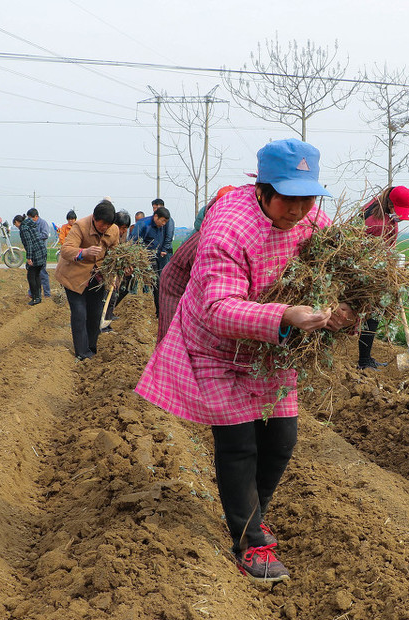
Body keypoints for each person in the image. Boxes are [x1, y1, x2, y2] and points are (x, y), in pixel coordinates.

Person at [136, 138, 356, 583]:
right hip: (218, 344)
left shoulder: (313, 217)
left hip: (274, 344)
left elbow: (339, 268)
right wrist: (286, 314)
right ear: (264, 188)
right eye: (289, 198)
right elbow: (218, 309)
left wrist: (346, 309)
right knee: (239, 444)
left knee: (281, 440)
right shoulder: (230, 228)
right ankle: (250, 540)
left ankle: (252, 515)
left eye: (307, 198)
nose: (299, 210)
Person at [156, 186, 235, 342]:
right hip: (175, 287)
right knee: (173, 337)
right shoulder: (205, 237)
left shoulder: (212, 225)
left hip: (188, 284)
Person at [358, 185, 409, 369]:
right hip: (367, 271)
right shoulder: (378, 224)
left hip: (368, 266)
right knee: (372, 315)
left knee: (370, 315)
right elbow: (377, 254)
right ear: (390, 204)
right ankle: (364, 361)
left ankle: (365, 358)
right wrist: (390, 271)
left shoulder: (378, 205)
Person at [55, 201, 120, 361]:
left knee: (95, 313)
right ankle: (82, 352)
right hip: (74, 275)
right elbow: (66, 250)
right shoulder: (80, 226)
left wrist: (115, 272)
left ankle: (92, 348)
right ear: (94, 218)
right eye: (102, 223)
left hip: (97, 276)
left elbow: (114, 252)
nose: (105, 227)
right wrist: (85, 252)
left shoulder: (114, 230)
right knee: (79, 313)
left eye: (108, 224)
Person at [133, 206, 172, 317]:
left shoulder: (160, 226)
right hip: (140, 258)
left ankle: (160, 313)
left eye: (166, 221)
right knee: (127, 285)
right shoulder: (143, 224)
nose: (164, 224)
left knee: (157, 284)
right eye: (163, 220)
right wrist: (139, 258)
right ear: (156, 216)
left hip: (152, 258)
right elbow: (134, 242)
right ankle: (108, 313)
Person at [102, 209, 134, 328]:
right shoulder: (108, 235)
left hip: (117, 271)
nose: (123, 231)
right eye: (122, 227)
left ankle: (107, 321)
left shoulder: (123, 237)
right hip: (106, 271)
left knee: (115, 294)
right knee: (107, 296)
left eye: (126, 228)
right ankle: (103, 322)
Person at [16, 212, 47, 306]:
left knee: (31, 276)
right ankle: (38, 297)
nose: (16, 226)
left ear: (17, 222)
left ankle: (35, 298)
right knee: (36, 275)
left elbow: (29, 243)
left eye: (15, 224)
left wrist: (29, 258)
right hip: (42, 251)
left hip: (35, 253)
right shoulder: (31, 225)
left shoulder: (24, 229)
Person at [27, 208, 52, 298]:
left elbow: (45, 235)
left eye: (31, 218)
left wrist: (34, 236)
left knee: (42, 273)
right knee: (32, 273)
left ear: (36, 216)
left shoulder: (43, 223)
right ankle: (33, 293)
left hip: (41, 252)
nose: (29, 220)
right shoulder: (29, 224)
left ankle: (47, 294)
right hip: (33, 252)